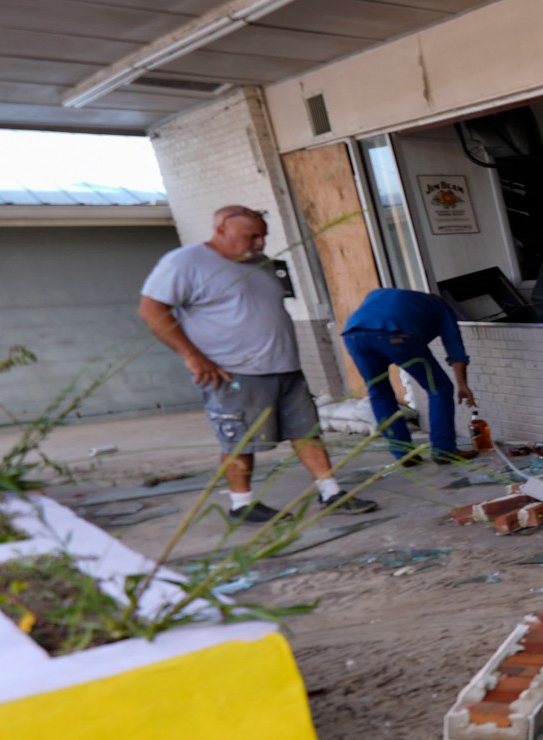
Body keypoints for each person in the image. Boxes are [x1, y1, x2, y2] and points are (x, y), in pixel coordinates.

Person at [139, 205, 376, 522]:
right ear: (221, 230)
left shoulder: (259, 264)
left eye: (263, 236)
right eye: (252, 236)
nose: (260, 243)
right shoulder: (185, 262)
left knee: (306, 432)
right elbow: (152, 310)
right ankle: (241, 504)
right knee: (240, 440)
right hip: (234, 371)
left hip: (285, 367)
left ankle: (331, 492)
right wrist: (193, 356)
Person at [341, 287, 477, 464]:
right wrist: (462, 385)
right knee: (440, 388)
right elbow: (455, 350)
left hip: (353, 335)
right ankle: (444, 449)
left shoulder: (381, 294)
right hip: (396, 335)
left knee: (379, 393)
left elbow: (372, 320)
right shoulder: (441, 308)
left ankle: (403, 453)